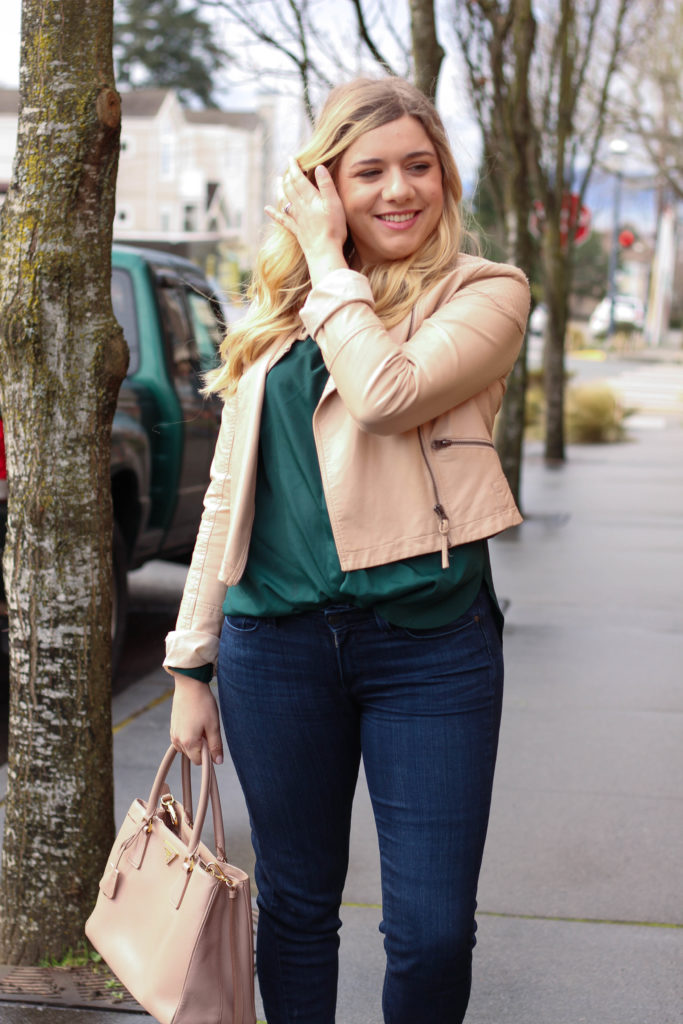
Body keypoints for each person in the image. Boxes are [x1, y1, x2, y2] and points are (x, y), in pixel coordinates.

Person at [165, 76, 530, 1024]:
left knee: (432, 930)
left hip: (429, 644)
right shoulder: (274, 321)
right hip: (273, 649)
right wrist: (189, 665)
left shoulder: (484, 293)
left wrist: (330, 269)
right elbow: (224, 498)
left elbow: (386, 393)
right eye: (368, 170)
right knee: (294, 908)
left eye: (419, 166)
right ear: (325, 184)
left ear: (446, 180)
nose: (398, 189)